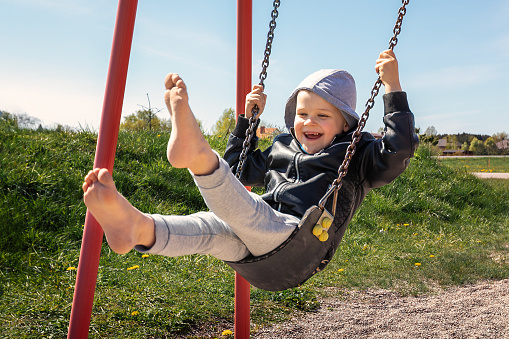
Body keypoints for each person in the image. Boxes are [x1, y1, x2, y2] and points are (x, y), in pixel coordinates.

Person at [82, 49, 419, 263]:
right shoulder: (282, 146)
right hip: (258, 248)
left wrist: (392, 87)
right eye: (302, 114)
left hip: (300, 240)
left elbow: (398, 152)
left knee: (250, 213)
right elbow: (238, 170)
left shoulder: (357, 153)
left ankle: (198, 156)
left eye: (322, 115)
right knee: (210, 230)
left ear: (344, 124)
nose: (309, 122)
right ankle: (138, 228)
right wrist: (248, 121)